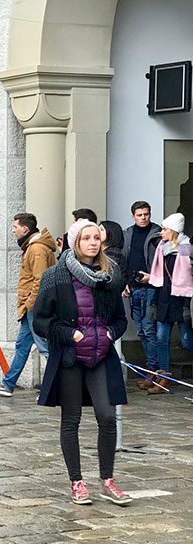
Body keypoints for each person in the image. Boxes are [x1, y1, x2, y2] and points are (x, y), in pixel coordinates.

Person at [33, 219, 131, 507]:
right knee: (71, 419)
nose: (92, 242)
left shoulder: (109, 276)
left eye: (96, 238)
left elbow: (120, 319)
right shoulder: (56, 276)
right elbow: (41, 320)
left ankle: (108, 479)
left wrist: (111, 332)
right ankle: (76, 482)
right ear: (75, 242)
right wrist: (68, 333)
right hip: (70, 357)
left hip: (101, 355)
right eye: (86, 238)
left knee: (108, 415)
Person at [0, 213, 55, 397]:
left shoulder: (37, 249)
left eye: (15, 227)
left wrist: (30, 304)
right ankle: (8, 384)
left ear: (25, 229)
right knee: (22, 346)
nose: (13, 230)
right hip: (30, 307)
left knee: (45, 348)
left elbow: (39, 280)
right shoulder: (33, 247)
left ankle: (56, 388)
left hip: (34, 307)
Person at [145, 213, 193, 394]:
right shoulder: (161, 247)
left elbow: (188, 270)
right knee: (161, 339)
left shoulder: (185, 246)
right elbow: (160, 274)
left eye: (165, 229)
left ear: (173, 230)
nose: (161, 232)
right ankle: (164, 377)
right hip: (164, 296)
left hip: (181, 297)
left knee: (186, 339)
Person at [122, 201, 161, 378]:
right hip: (133, 288)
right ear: (133, 216)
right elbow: (124, 261)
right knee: (141, 330)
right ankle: (150, 371)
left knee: (148, 328)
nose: (143, 218)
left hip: (151, 287)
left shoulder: (157, 234)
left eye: (146, 214)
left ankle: (154, 371)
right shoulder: (128, 234)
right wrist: (124, 283)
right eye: (140, 215)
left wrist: (152, 277)